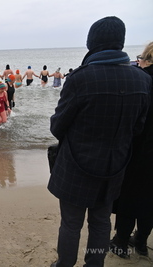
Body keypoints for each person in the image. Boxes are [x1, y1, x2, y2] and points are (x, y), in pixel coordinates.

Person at [48, 17, 151, 267]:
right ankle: (95, 263)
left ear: (91, 43)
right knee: (101, 221)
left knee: (71, 223)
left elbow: (57, 127)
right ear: (121, 42)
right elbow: (138, 127)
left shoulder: (80, 78)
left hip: (76, 165)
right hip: (115, 165)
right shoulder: (142, 80)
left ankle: (65, 264)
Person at [110, 42, 153, 259]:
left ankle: (121, 241)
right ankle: (142, 242)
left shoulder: (142, 80)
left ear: (147, 59)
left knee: (129, 196)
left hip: (139, 149)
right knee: (150, 199)